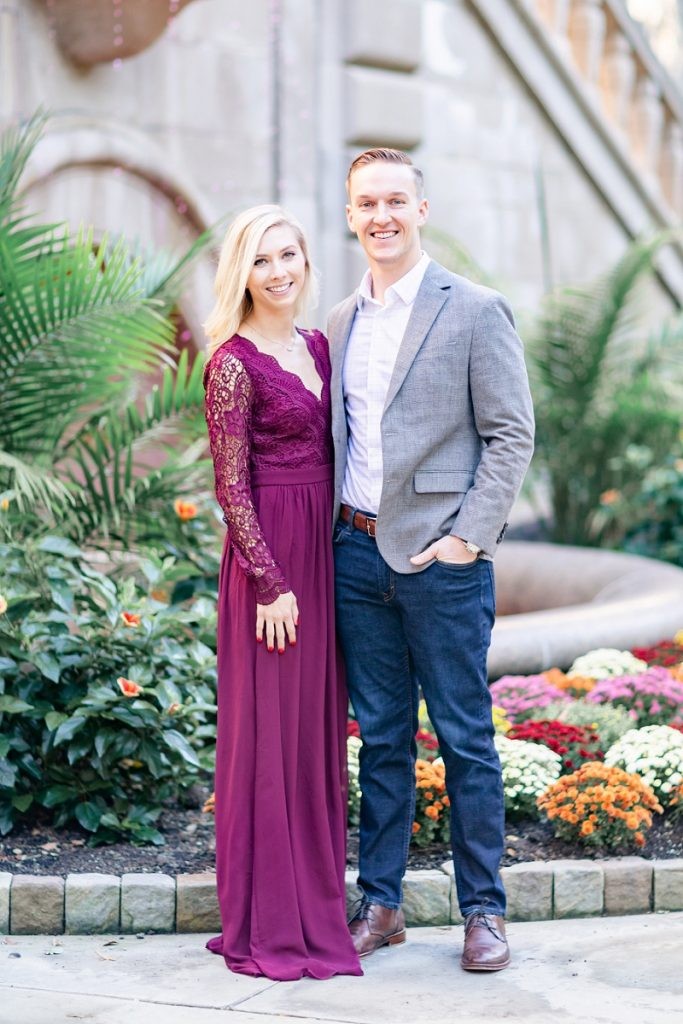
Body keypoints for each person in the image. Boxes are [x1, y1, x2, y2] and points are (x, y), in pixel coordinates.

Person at [329, 149, 535, 971]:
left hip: (442, 561)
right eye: (364, 204)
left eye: (393, 201)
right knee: (380, 738)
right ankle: (380, 905)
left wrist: (467, 539)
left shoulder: (475, 309)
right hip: (352, 553)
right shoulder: (338, 321)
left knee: (463, 738)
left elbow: (511, 433)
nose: (379, 216)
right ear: (349, 216)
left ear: (421, 209)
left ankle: (483, 912)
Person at [203, 205, 362, 981]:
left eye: (289, 255)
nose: (278, 272)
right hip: (271, 566)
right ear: (243, 272)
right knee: (268, 735)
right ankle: (268, 917)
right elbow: (229, 486)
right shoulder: (231, 363)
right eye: (262, 260)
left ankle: (314, 898)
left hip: (322, 553)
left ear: (306, 261)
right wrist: (270, 583)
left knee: (311, 733)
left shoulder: (318, 347)